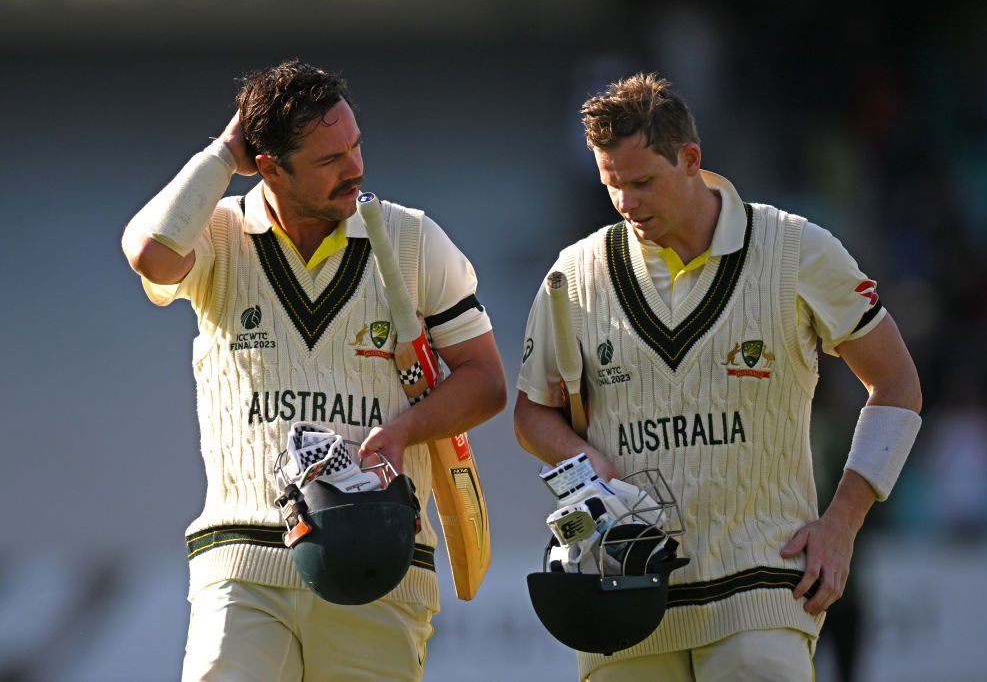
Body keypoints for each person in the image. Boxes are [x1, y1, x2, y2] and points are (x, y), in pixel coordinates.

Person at [514, 73, 922, 681]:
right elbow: (531, 413)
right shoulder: (572, 275)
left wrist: (841, 525)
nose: (627, 202)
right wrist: (581, 460)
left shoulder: (795, 249)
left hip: (760, 591)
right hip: (618, 598)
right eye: (611, 185)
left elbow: (897, 387)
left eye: (643, 181)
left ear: (690, 160)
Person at [122, 60, 506, 681]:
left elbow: (485, 382)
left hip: (380, 562)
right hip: (244, 562)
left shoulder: (411, 241)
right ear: (268, 164)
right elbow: (151, 255)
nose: (354, 168)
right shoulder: (219, 237)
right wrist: (223, 152)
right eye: (329, 159)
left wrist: (406, 430)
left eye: (355, 146)